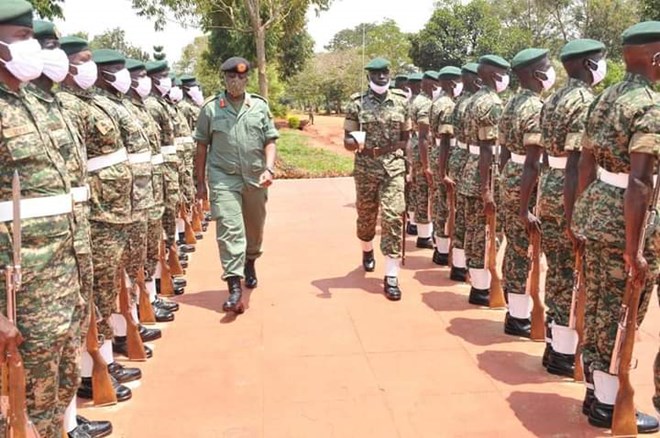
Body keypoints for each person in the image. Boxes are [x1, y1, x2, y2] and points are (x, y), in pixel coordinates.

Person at [572, 21, 660, 433]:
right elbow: (640, 181)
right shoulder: (648, 105)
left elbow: (586, 160)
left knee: (598, 306)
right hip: (626, 217)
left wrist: (580, 214)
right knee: (624, 309)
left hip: (598, 209)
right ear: (655, 58)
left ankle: (597, 394)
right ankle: (610, 405)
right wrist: (635, 247)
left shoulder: (605, 98)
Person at [0, 2, 82, 435]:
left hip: (60, 276)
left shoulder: (32, 101)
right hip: (19, 288)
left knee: (57, 385)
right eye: (19, 38)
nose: (30, 47)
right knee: (19, 401)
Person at [30, 20, 113, 438]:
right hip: (25, 270)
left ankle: (68, 423)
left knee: (63, 354)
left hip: (67, 251)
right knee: (33, 371)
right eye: (24, 40)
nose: (53, 55)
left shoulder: (50, 105)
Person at [57, 37, 140, 402]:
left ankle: (103, 361)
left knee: (108, 292)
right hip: (92, 217)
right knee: (92, 301)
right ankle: (94, 372)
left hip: (111, 210)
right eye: (84, 61)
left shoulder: (92, 104)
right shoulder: (69, 106)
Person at [523, 39, 606, 378]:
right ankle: (565, 352)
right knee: (573, 275)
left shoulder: (552, 100)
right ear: (589, 65)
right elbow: (576, 165)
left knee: (556, 271)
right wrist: (576, 220)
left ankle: (556, 346)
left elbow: (546, 156)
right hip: (569, 194)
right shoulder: (585, 101)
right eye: (601, 60)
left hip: (550, 189)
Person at [193, 56, 278, 313]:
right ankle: (233, 286)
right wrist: (200, 183)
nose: (236, 81)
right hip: (223, 178)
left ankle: (250, 261)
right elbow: (201, 146)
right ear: (224, 78)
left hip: (255, 177)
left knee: (254, 228)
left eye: (241, 77)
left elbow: (270, 140)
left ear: (247, 78)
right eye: (231, 77)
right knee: (230, 230)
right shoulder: (210, 109)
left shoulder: (260, 107)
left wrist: (269, 168)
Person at [342, 57, 410, 301]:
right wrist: (354, 143)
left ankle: (391, 275)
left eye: (385, 73)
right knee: (366, 217)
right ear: (369, 76)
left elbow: (406, 137)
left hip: (394, 166)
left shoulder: (402, 102)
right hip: (366, 166)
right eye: (376, 73)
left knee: (393, 216)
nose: (381, 77)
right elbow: (347, 140)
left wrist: (408, 165)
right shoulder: (356, 104)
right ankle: (367, 249)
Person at [498, 48, 552, 338]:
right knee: (524, 250)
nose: (551, 70)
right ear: (536, 74)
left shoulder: (510, 104)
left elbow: (504, 151)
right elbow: (533, 161)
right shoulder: (534, 108)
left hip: (510, 177)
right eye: (547, 65)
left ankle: (515, 311)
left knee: (514, 246)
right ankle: (519, 317)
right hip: (526, 182)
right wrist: (524, 207)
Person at [125, 58, 178, 322]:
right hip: (130, 196)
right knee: (134, 257)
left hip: (151, 183)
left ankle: (151, 297)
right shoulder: (133, 107)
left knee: (150, 245)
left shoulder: (143, 106)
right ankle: (138, 312)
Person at [463, 54, 510, 306]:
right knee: (488, 232)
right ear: (495, 76)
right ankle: (481, 290)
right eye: (504, 73)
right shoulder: (492, 103)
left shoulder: (472, 100)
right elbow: (487, 148)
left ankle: (477, 285)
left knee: (474, 229)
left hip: (471, 170)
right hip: (485, 171)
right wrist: (488, 188)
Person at [449, 62, 480, 282]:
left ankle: (459, 265)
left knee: (462, 214)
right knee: (476, 220)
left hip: (461, 157)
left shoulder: (460, 103)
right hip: (474, 160)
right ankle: (473, 271)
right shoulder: (476, 103)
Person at [430, 66, 462, 267]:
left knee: (439, 202)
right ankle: (443, 251)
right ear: (452, 83)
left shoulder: (436, 102)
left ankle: (439, 249)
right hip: (446, 156)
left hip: (438, 155)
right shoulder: (448, 105)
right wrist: (444, 172)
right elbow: (445, 140)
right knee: (447, 205)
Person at [409, 71, 436, 249]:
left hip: (417, 147)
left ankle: (421, 229)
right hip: (423, 150)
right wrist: (427, 165)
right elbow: (424, 136)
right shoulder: (425, 103)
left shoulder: (417, 100)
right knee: (425, 191)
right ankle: (424, 234)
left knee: (419, 189)